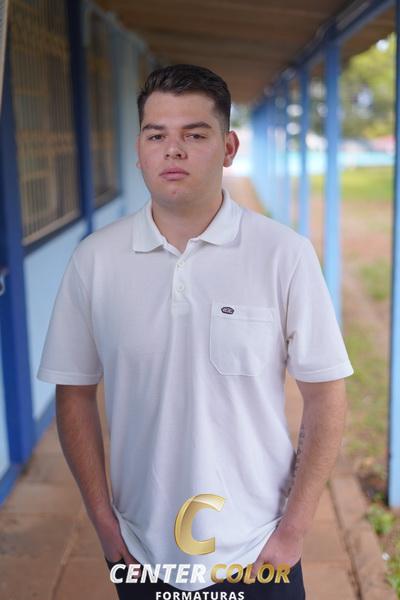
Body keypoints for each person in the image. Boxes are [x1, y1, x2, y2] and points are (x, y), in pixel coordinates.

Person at [37, 63, 354, 600]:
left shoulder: (283, 254)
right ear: (138, 150)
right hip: (140, 550)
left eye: (195, 135)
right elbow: (74, 394)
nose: (173, 150)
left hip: (258, 549)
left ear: (228, 148)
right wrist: (103, 522)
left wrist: (294, 531)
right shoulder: (95, 260)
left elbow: (326, 395)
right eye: (156, 135)